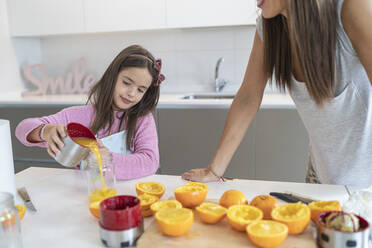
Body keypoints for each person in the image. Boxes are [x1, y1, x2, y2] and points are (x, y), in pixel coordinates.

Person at [182, 0, 372, 186]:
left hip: (366, 184)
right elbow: (248, 97)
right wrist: (214, 171)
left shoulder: (350, 7)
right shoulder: (270, 29)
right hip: (321, 176)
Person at [16, 44, 165, 180]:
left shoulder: (142, 120)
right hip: (86, 196)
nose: (132, 93)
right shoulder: (79, 116)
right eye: (126, 83)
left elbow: (150, 161)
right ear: (112, 77)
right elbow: (22, 129)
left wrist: (107, 158)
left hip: (129, 197)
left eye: (140, 90)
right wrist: (45, 131)